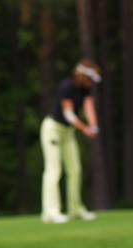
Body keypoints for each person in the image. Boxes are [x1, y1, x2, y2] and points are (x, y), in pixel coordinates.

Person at [40, 58, 101, 224]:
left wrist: (94, 125)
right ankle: (51, 212)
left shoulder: (85, 89)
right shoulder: (66, 86)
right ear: (82, 75)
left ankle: (75, 209)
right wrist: (85, 129)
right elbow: (68, 114)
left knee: (75, 169)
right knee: (54, 170)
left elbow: (89, 108)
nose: (91, 82)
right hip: (53, 129)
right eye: (89, 78)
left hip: (68, 132)